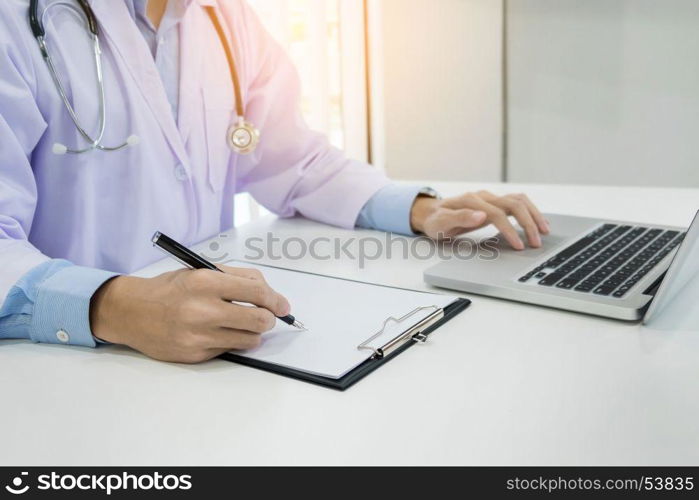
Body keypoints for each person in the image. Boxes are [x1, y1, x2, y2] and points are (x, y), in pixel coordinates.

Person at [0, 0, 549, 363]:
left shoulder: (221, 15)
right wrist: (114, 306)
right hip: (62, 370)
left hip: (205, 365)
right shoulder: (17, 22)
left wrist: (419, 207)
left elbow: (291, 156)